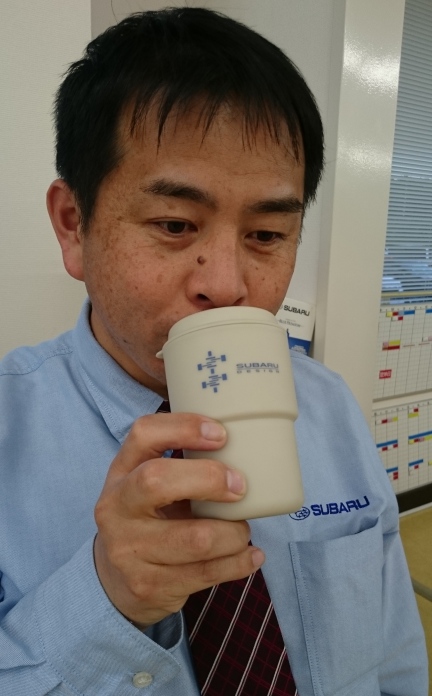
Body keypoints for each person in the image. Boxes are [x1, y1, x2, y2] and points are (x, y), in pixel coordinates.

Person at [0, 7, 427, 696]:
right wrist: (105, 598)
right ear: (74, 225)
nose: (227, 286)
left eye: (266, 235)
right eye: (175, 224)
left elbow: (396, 654)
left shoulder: (327, 404)